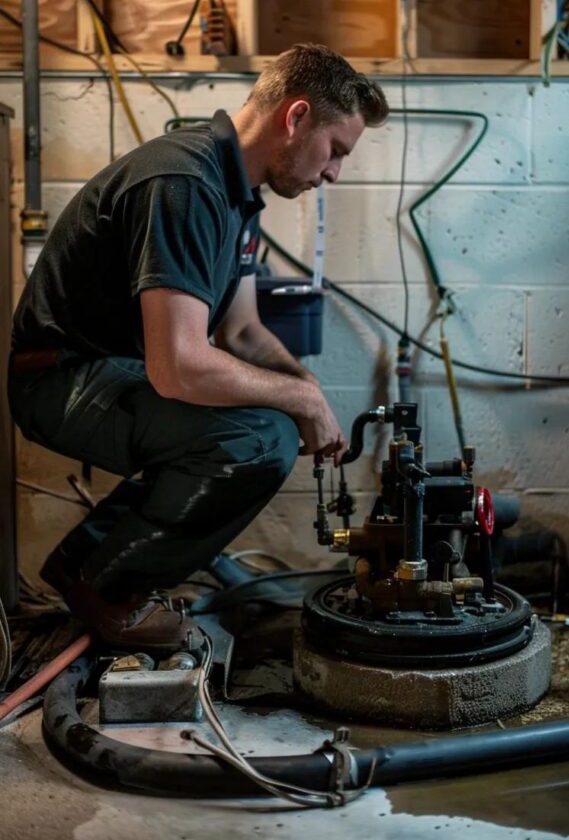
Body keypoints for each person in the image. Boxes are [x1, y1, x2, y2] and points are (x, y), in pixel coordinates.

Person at [8, 43, 389, 649]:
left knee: (273, 420)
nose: (333, 173)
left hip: (116, 372)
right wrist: (296, 405)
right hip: (59, 379)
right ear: (294, 118)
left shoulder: (237, 197)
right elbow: (179, 367)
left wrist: (306, 391)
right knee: (257, 438)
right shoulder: (184, 182)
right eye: (337, 150)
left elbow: (240, 331)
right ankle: (104, 585)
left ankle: (92, 561)